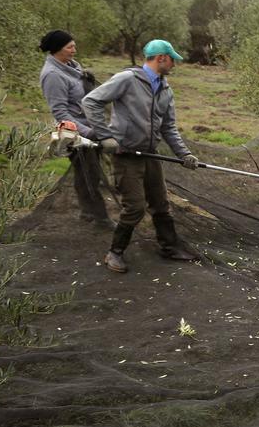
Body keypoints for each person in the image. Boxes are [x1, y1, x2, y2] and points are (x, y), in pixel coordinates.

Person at [82, 40, 201, 273]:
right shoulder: (127, 79)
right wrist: (105, 136)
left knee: (161, 204)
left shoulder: (166, 89)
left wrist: (185, 154)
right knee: (135, 207)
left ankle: (169, 246)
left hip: (150, 154)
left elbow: (169, 127)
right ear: (161, 59)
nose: (174, 65)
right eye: (172, 60)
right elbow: (91, 101)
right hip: (126, 154)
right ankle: (114, 252)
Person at [38, 30, 112, 227]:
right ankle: (99, 217)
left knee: (89, 173)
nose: (74, 50)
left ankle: (87, 212)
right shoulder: (52, 75)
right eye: (70, 47)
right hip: (73, 132)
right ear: (57, 50)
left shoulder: (71, 66)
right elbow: (61, 113)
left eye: (74, 45)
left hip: (88, 127)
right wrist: (88, 133)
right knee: (88, 173)